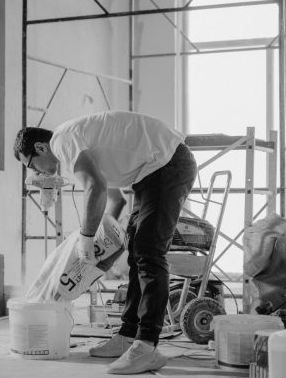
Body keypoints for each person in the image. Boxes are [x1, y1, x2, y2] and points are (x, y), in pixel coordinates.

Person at [14, 110, 197, 374]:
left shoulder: (63, 141)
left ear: (40, 147)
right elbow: (117, 200)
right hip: (152, 172)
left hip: (168, 164)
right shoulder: (80, 147)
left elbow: (95, 188)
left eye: (31, 165)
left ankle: (147, 346)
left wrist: (86, 240)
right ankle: (128, 335)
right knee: (137, 252)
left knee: (149, 253)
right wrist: (104, 239)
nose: (36, 172)